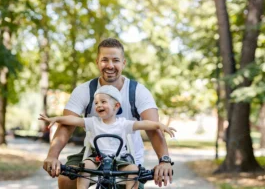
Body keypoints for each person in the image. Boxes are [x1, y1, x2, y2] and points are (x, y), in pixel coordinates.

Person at [43, 38, 174, 188]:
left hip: (127, 156)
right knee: (66, 179)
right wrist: (52, 156)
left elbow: (153, 128)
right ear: (97, 62)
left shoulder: (138, 91)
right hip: (94, 153)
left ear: (123, 63)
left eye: (116, 60)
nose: (110, 65)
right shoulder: (84, 90)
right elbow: (66, 125)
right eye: (105, 60)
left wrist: (164, 161)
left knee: (132, 181)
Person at [39, 85, 176, 189]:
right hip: (97, 158)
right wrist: (56, 118)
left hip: (119, 160)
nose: (98, 105)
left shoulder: (124, 124)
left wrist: (159, 125)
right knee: (85, 165)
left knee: (134, 169)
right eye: (96, 103)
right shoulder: (92, 122)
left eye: (103, 102)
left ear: (116, 106)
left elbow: (144, 123)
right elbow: (74, 120)